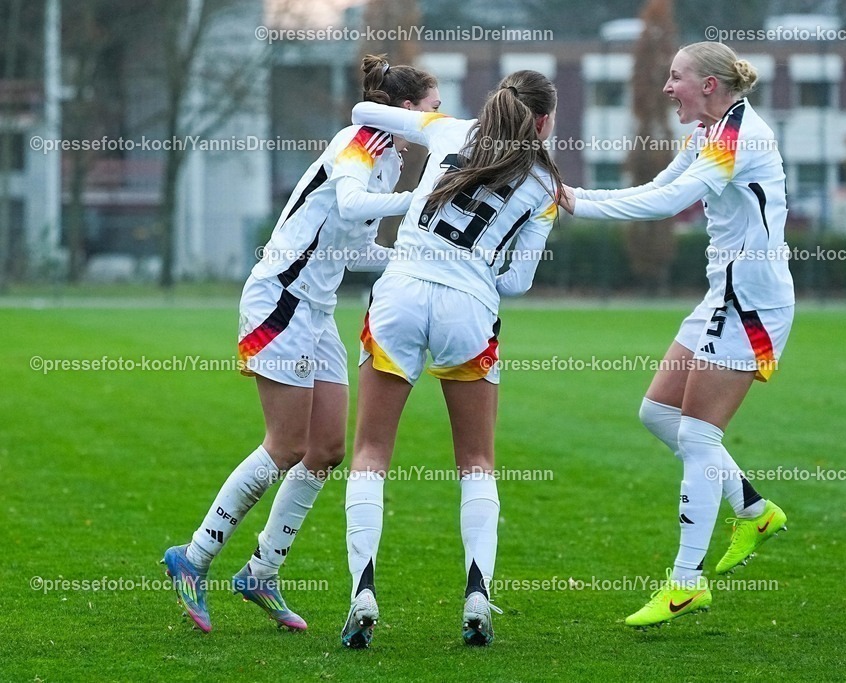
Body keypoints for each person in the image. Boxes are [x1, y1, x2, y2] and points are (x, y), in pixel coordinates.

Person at [162, 55, 441, 633]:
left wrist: (418, 261)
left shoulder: (387, 163)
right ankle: (193, 558)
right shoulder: (358, 141)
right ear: (408, 112)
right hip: (280, 301)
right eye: (434, 111)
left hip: (316, 310)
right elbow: (348, 205)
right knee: (285, 445)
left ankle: (261, 571)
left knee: (327, 450)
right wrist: (417, 204)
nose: (439, 123)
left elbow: (357, 247)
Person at [561, 41, 792, 628]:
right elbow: (654, 189)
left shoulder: (740, 137)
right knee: (657, 414)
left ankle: (686, 583)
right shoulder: (705, 134)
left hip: (750, 305)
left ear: (710, 85)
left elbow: (667, 204)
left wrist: (577, 206)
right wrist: (576, 198)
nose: (667, 88)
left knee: (695, 435)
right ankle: (755, 510)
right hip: (724, 295)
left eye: (676, 78)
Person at [339, 70, 562, 648]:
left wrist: (395, 148)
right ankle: (477, 593)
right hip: (469, 305)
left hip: (401, 292)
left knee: (370, 451)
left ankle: (362, 590)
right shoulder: (544, 184)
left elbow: (364, 117)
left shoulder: (448, 130)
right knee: (476, 461)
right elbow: (517, 283)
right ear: (541, 121)